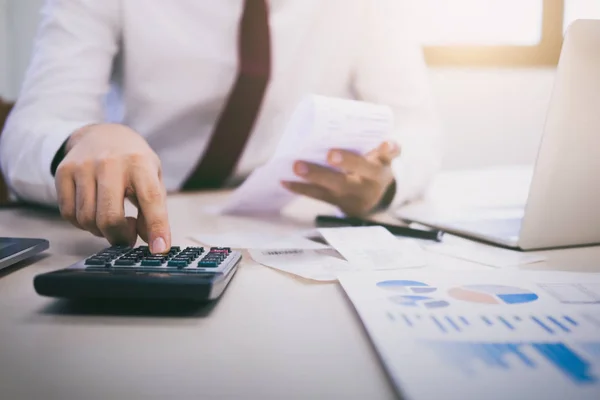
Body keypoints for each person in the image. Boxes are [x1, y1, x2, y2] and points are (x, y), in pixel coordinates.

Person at [0, 0, 441, 254]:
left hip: (286, 229)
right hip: (143, 226)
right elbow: (29, 130)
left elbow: (417, 125)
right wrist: (79, 140)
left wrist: (384, 184)